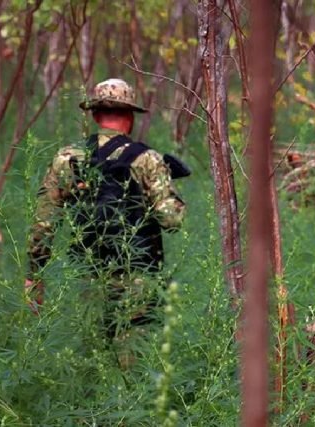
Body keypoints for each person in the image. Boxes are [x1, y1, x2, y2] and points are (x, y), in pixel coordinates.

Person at [24, 78, 187, 340]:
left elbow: (44, 223)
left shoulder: (68, 158)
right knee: (134, 355)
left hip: (87, 279)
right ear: (130, 117)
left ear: (96, 115)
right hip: (138, 279)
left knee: (92, 353)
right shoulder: (148, 159)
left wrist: (34, 275)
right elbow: (172, 220)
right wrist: (168, 188)